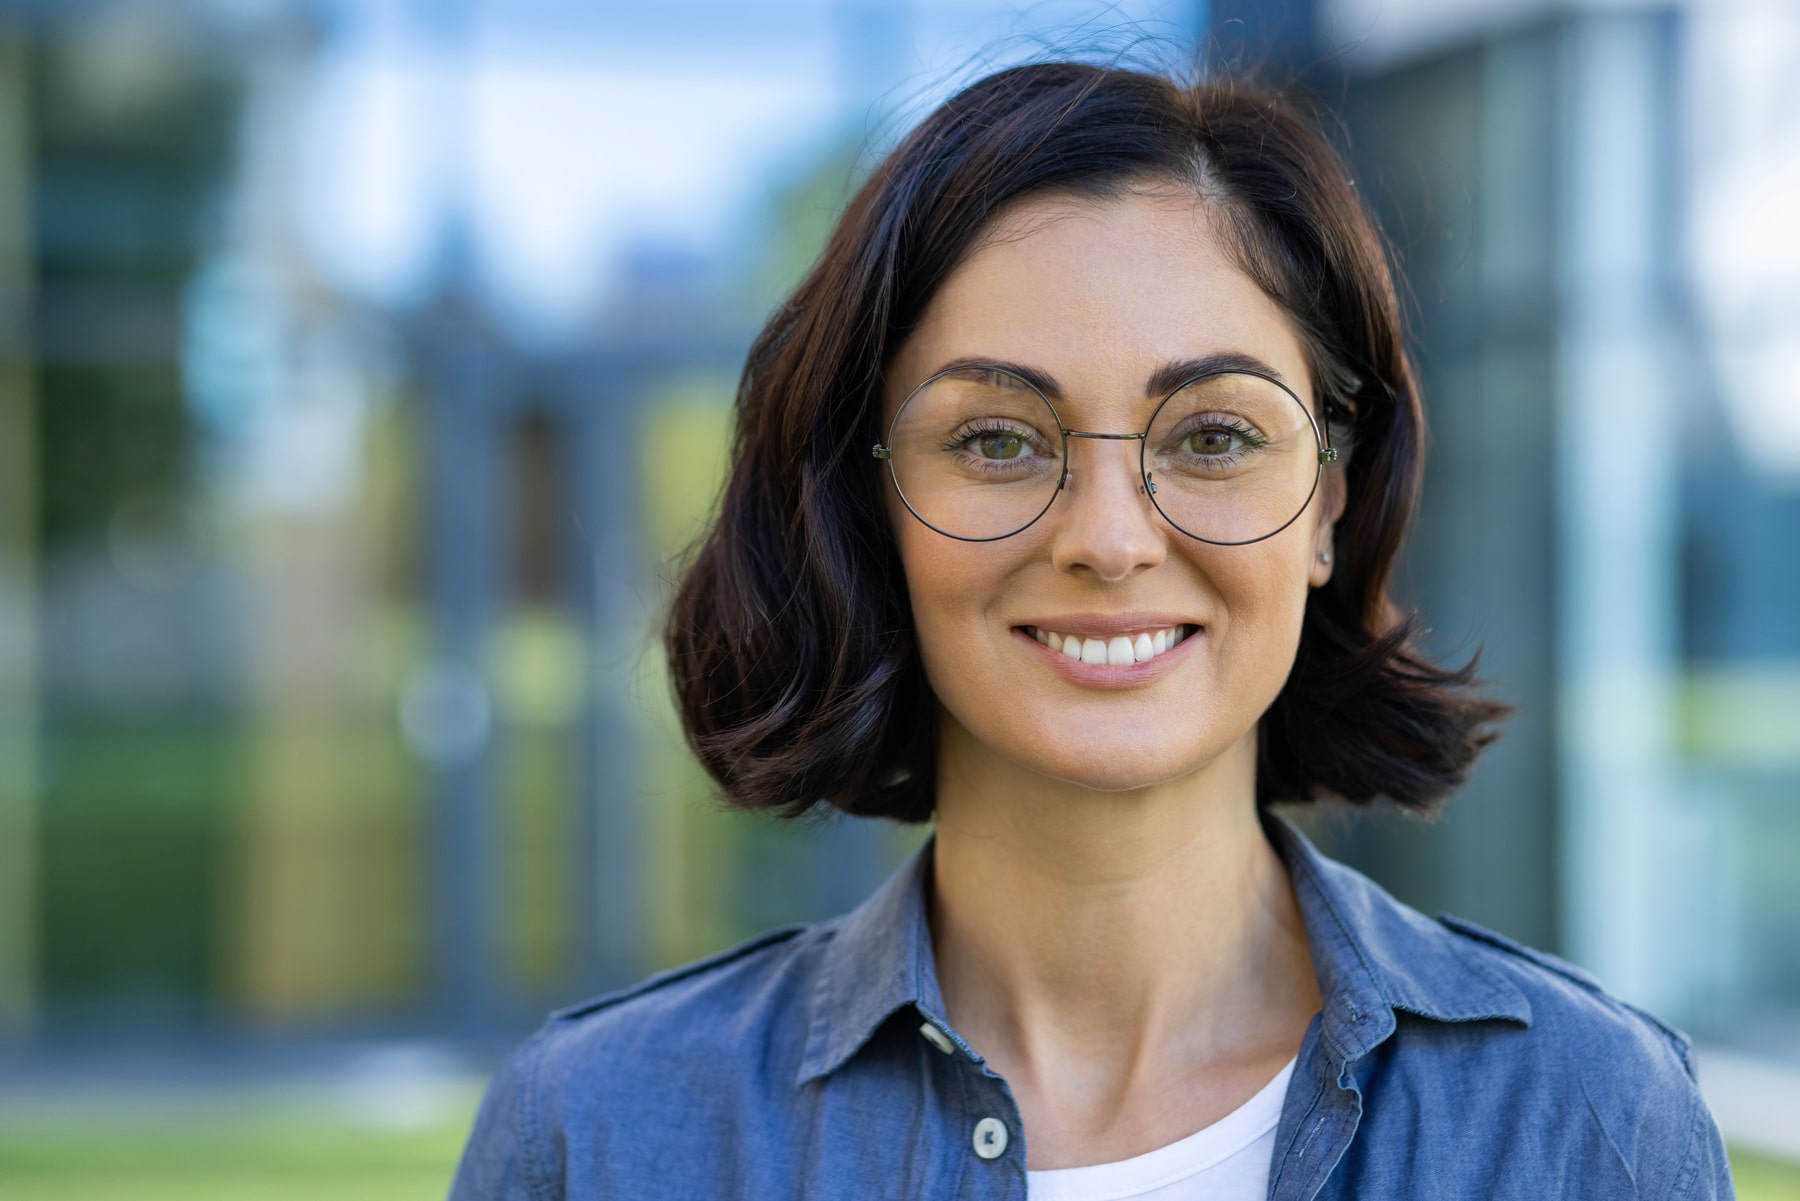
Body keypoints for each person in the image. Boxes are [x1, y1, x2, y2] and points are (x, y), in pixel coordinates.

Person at [448, 61, 1735, 1199]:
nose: (1110, 539)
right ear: (869, 503)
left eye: (1216, 436)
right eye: (997, 440)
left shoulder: (1588, 1127)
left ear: (1326, 504)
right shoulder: (600, 1135)